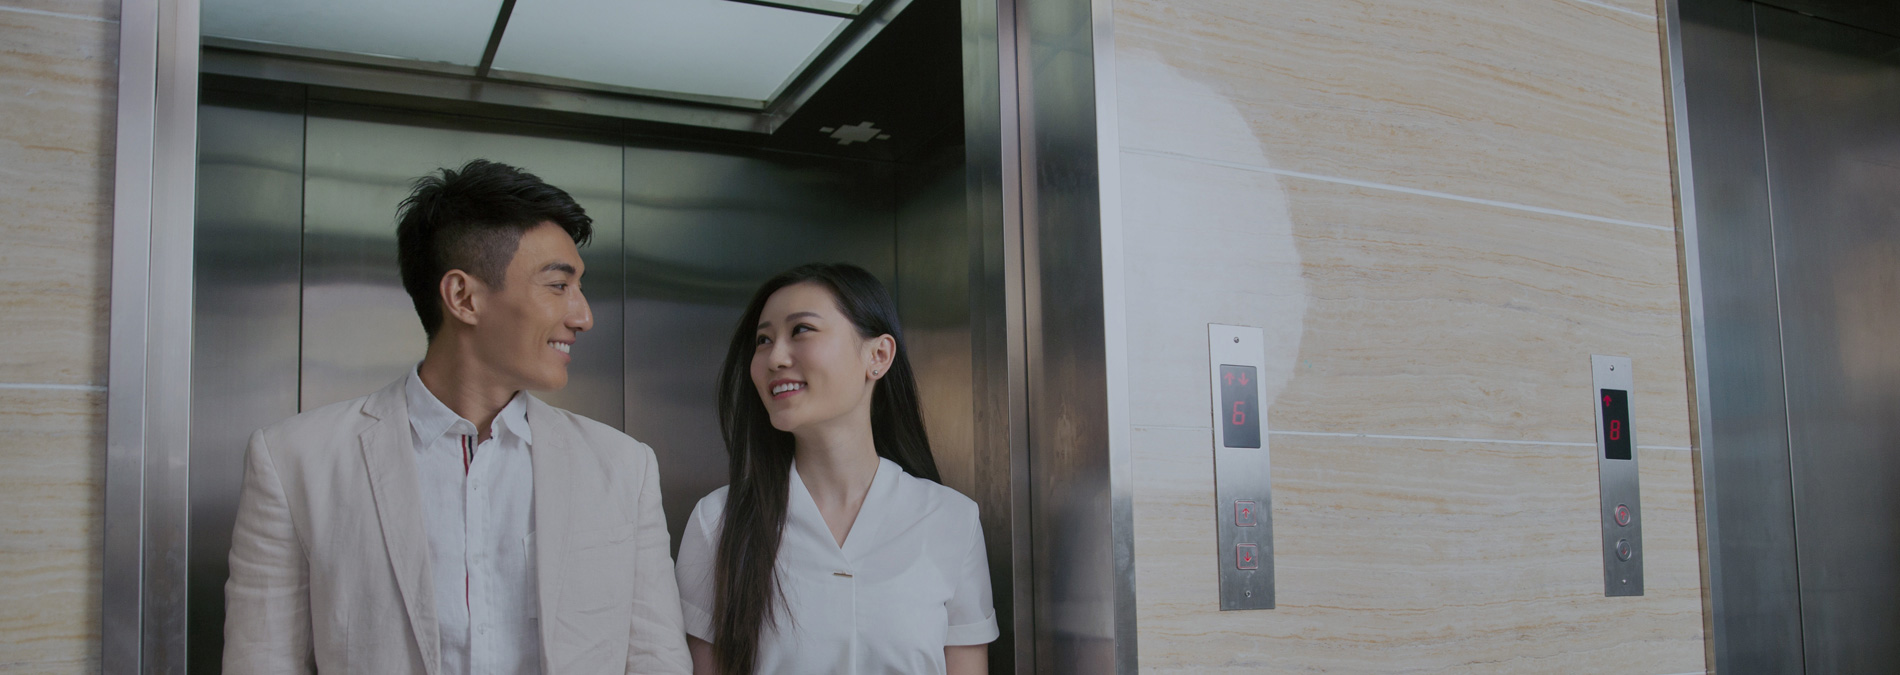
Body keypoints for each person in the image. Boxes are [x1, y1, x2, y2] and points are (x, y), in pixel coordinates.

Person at [222, 160, 692, 674]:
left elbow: (657, 661)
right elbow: (262, 662)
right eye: (558, 285)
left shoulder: (623, 466)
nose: (583, 315)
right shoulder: (295, 461)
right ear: (464, 297)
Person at [674, 263, 998, 675]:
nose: (775, 357)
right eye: (763, 339)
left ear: (878, 355)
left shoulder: (952, 520)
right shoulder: (717, 521)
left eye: (801, 330)